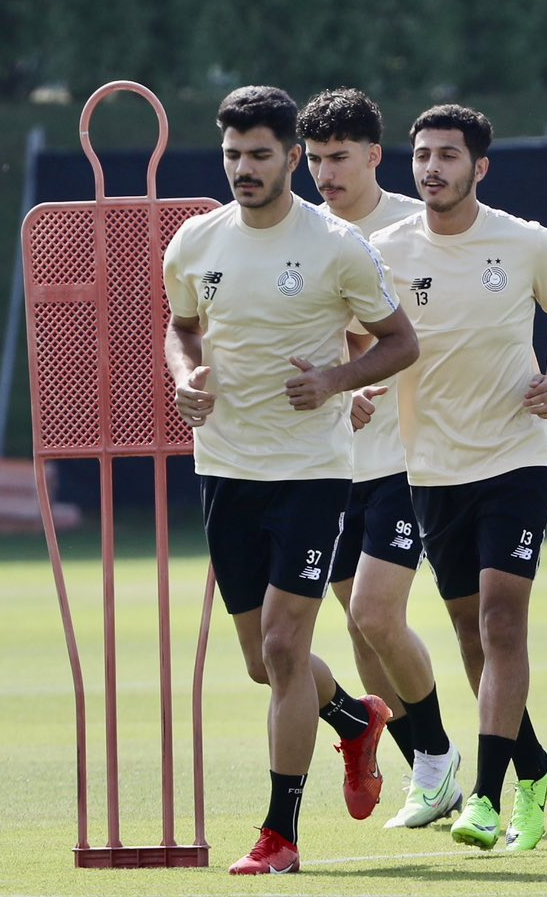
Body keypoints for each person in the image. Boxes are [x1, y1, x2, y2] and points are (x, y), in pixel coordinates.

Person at [163, 85, 418, 873]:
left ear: (289, 160)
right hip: (225, 472)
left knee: (282, 645)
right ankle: (355, 718)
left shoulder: (337, 244)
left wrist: (337, 381)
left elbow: (399, 342)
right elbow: (180, 328)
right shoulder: (194, 243)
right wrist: (184, 375)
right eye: (233, 154)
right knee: (261, 663)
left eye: (261, 155)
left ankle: (280, 836)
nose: (244, 168)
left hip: (310, 474)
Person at [370, 104, 547, 851]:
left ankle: (492, 799)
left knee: (500, 621)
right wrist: (359, 382)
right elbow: (362, 333)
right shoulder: (385, 250)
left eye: (448, 156)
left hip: (515, 458)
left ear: (479, 168)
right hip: (431, 466)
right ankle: (536, 765)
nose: (432, 167)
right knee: (470, 631)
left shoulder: (526, 242)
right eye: (423, 155)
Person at [297, 87, 462, 830]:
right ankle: (430, 769)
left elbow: (431, 335)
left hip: (407, 457)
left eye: (338, 158)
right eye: (314, 158)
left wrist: (368, 383)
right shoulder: (298, 234)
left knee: (376, 613)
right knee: (360, 629)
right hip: (328, 465)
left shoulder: (413, 226)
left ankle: (436, 762)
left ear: (372, 156)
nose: (325, 173)